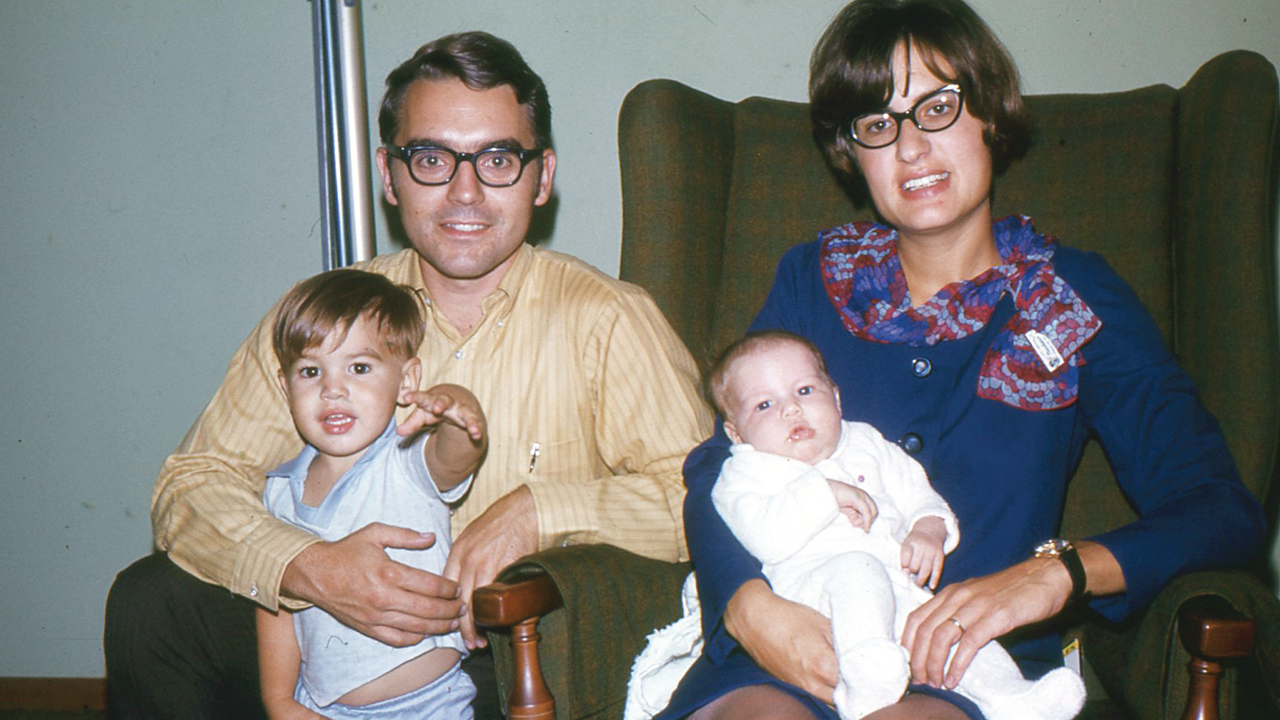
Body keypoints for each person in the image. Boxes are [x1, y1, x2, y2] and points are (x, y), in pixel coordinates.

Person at [660, 1, 1268, 719]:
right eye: (879, 124)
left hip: (967, 667)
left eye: (938, 107)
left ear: (990, 114)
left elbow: (1220, 508)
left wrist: (1060, 573)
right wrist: (747, 606)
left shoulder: (1073, 299)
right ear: (852, 152)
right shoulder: (811, 277)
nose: (911, 148)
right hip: (789, 640)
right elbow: (719, 466)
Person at [104, 31, 713, 720]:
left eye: (498, 158)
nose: (464, 192)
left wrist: (542, 511)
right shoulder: (323, 316)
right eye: (431, 158)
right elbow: (194, 482)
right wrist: (306, 567)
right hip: (316, 635)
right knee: (150, 605)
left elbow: (707, 498)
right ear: (389, 176)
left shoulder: (611, 322)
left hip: (499, 650)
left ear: (542, 176)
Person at [629, 331, 1083, 720]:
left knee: (952, 632)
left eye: (805, 391)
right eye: (765, 405)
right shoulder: (743, 472)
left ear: (837, 397)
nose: (791, 410)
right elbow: (763, 534)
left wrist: (928, 529)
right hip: (808, 595)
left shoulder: (867, 442)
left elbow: (919, 494)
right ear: (736, 433)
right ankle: (868, 674)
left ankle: (1016, 700)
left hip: (898, 593)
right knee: (856, 567)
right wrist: (827, 494)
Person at [256, 269, 486, 719]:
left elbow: (457, 456)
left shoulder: (405, 460)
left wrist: (457, 407)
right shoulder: (280, 492)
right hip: (324, 706)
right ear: (286, 387)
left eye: (359, 368)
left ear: (406, 382)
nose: (333, 388)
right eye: (310, 370)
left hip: (429, 704)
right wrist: (279, 699)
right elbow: (278, 601)